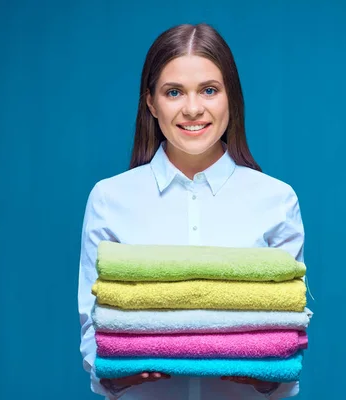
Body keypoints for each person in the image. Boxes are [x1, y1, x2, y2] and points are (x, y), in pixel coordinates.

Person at [77, 23, 306, 400]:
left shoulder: (276, 200)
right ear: (151, 102)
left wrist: (266, 373)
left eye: (209, 90)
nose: (193, 108)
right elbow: (94, 327)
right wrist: (116, 372)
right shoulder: (109, 198)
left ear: (231, 97)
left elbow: (285, 334)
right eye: (173, 92)